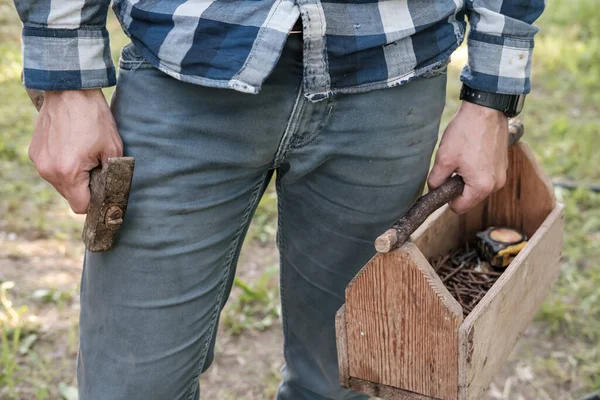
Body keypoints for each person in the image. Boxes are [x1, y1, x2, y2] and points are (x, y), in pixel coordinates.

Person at [13, 1, 544, 399]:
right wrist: (66, 81)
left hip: (391, 78)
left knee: (348, 377)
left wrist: (492, 98)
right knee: (129, 385)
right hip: (182, 71)